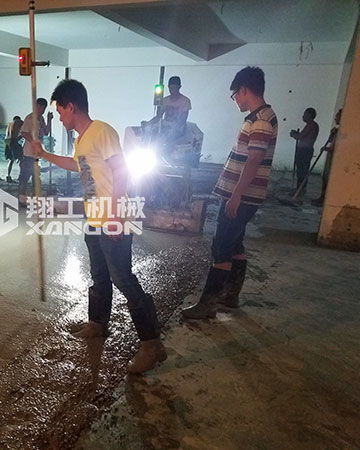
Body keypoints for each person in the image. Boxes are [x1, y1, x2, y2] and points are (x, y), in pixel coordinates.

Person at [32, 79, 165, 374]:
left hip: (113, 217)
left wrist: (115, 215)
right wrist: (44, 155)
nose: (60, 118)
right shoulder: (81, 140)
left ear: (71, 106)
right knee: (99, 275)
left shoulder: (102, 131)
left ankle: (151, 343)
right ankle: (97, 324)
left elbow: (122, 171)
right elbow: (77, 165)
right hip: (94, 218)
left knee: (123, 278)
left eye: (60, 112)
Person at [182, 66, 278, 319]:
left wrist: (236, 195)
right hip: (244, 195)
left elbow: (254, 160)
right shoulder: (264, 116)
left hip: (242, 196)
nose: (235, 100)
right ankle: (231, 294)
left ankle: (208, 304)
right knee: (235, 243)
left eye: (234, 94)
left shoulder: (260, 121)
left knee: (221, 245)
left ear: (244, 90)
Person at [18, 98, 52, 204]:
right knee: (24, 177)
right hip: (28, 154)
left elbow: (46, 132)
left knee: (36, 178)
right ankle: (21, 198)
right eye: (41, 107)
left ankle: (34, 198)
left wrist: (49, 120)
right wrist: (33, 142)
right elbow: (24, 133)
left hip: (37, 154)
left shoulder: (41, 119)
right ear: (37, 106)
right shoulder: (29, 118)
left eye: (44, 108)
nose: (42, 110)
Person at [311, 109, 341, 206]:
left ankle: (325, 199)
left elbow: (337, 146)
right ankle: (322, 198)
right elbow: (331, 141)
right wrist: (332, 134)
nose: (335, 118)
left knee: (329, 180)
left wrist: (327, 149)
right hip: (330, 157)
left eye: (337, 116)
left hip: (334, 159)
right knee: (325, 179)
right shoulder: (337, 131)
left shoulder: (342, 132)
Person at [289, 108, 319, 195]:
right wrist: (296, 134)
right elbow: (303, 135)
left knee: (301, 171)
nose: (303, 116)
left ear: (309, 115)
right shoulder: (313, 125)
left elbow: (300, 136)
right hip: (306, 150)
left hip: (304, 151)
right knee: (303, 170)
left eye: (305, 114)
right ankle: (300, 188)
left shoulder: (310, 125)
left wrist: (293, 134)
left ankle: (300, 190)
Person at [4, 115, 24, 182]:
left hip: (6, 142)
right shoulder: (18, 122)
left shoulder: (9, 124)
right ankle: (21, 176)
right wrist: (23, 135)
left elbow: (11, 137)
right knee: (22, 158)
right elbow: (26, 126)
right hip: (12, 141)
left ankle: (8, 176)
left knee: (11, 160)